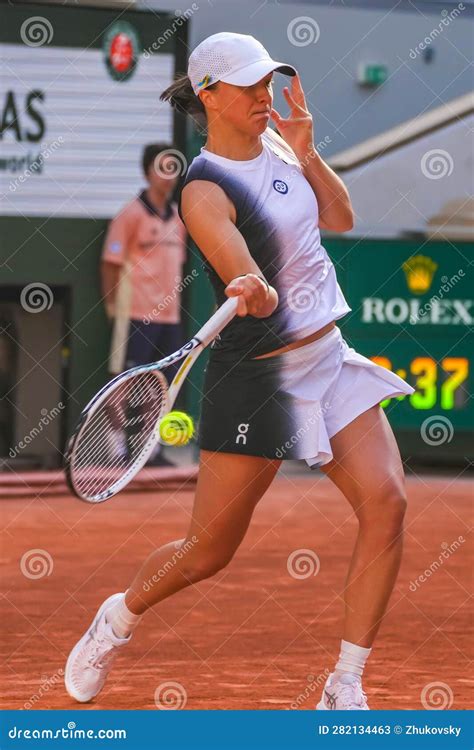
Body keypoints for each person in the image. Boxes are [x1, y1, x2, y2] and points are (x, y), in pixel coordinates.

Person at [65, 32, 414, 710]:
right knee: (207, 552)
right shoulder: (203, 188)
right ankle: (117, 617)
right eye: (250, 86)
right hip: (260, 379)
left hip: (329, 359)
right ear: (209, 96)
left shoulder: (281, 146)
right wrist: (249, 282)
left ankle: (344, 685)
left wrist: (308, 153)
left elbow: (339, 215)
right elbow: (236, 260)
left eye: (268, 81)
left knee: (389, 501)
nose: (264, 96)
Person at [101, 143, 187, 466]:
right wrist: (113, 308)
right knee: (124, 381)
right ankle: (115, 448)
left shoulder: (181, 217)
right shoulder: (129, 215)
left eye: (173, 168)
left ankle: (151, 450)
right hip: (134, 313)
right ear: (148, 172)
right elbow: (110, 263)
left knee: (161, 384)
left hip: (171, 316)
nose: (169, 176)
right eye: (162, 168)